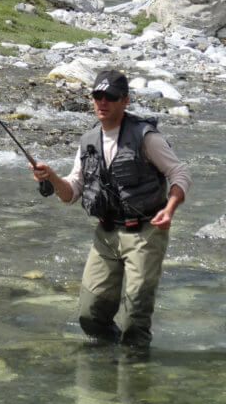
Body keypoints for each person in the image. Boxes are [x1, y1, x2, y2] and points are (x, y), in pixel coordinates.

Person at [31, 70, 192, 349]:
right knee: (89, 317)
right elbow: (71, 193)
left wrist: (170, 208)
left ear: (124, 100)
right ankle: (111, 365)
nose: (102, 102)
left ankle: (135, 376)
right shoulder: (88, 141)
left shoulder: (146, 137)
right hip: (106, 235)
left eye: (110, 97)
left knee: (135, 322)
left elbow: (181, 174)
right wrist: (52, 178)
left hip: (145, 232)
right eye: (97, 95)